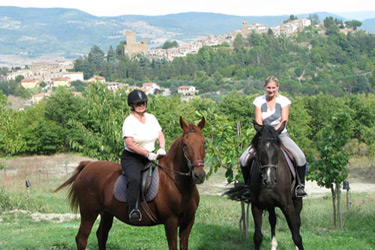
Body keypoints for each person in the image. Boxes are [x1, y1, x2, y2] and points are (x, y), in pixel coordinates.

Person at [240, 76, 308, 198]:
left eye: (273, 88)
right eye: (268, 88)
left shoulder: (284, 101)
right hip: (263, 136)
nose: (271, 90)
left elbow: (284, 120)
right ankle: (247, 186)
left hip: (281, 135)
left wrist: (273, 133)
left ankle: (300, 186)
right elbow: (259, 121)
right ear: (265, 87)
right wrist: (265, 133)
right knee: (243, 159)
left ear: (278, 87)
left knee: (300, 156)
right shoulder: (258, 101)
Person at [121, 89, 166, 222]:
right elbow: (129, 144)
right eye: (138, 103)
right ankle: (133, 210)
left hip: (153, 154)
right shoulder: (129, 121)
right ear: (132, 106)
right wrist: (147, 154)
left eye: (143, 103)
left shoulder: (151, 118)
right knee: (135, 179)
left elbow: (160, 134)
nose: (141, 105)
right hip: (133, 158)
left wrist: (162, 148)